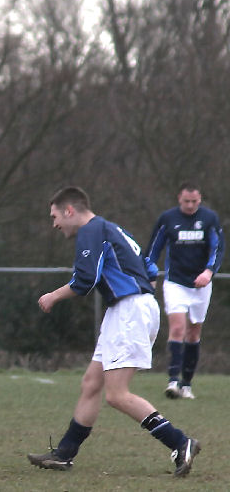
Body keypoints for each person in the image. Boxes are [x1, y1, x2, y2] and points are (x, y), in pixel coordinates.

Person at [27, 186, 200, 478]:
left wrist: (52, 296)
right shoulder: (113, 228)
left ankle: (180, 442)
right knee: (91, 383)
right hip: (127, 309)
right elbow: (149, 266)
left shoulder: (90, 231)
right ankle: (64, 454)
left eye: (55, 216)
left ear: (70, 211)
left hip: (129, 311)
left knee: (117, 395)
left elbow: (85, 279)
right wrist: (144, 295)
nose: (54, 223)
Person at [145, 182, 224, 400]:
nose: (190, 205)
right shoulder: (167, 219)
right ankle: (172, 381)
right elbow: (153, 249)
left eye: (194, 201)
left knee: (193, 332)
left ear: (200, 200)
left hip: (201, 285)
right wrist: (148, 273)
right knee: (178, 328)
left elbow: (218, 248)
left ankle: (187, 384)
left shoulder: (209, 219)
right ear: (179, 198)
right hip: (175, 282)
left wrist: (209, 272)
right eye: (186, 201)